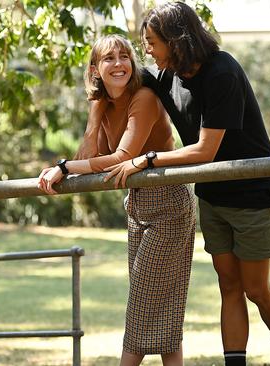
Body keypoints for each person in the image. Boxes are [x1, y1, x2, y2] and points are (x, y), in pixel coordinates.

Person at [104, 3, 270, 366]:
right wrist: (100, 85)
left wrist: (147, 158)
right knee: (228, 286)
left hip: (254, 195)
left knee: (255, 289)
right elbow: (124, 80)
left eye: (152, 42)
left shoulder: (222, 72)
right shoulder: (167, 75)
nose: (147, 51)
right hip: (213, 196)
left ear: (175, 40)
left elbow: (205, 150)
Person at [38, 34, 196, 366]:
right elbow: (92, 155)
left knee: (143, 302)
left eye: (124, 57)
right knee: (161, 304)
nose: (119, 64)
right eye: (109, 59)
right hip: (137, 204)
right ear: (95, 68)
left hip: (168, 202)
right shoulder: (104, 104)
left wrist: (63, 167)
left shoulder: (144, 98)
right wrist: (94, 117)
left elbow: (123, 155)